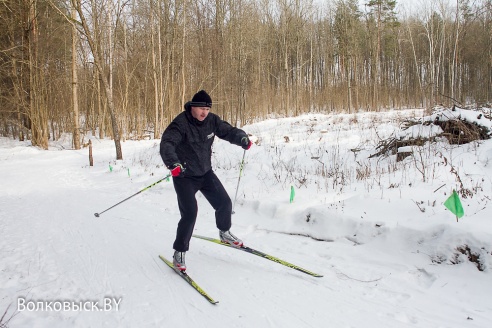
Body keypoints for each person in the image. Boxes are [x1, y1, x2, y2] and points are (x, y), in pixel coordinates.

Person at [160, 90, 252, 271]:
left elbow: (228, 131)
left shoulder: (211, 121)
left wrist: (241, 137)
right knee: (190, 213)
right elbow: (167, 143)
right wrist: (173, 164)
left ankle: (224, 233)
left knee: (224, 203)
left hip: (205, 173)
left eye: (207, 109)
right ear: (192, 107)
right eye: (201, 108)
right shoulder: (181, 123)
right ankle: (179, 252)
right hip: (184, 175)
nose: (204, 112)